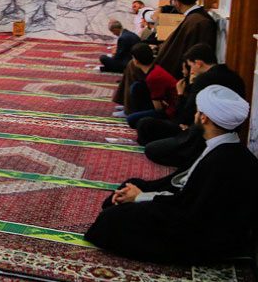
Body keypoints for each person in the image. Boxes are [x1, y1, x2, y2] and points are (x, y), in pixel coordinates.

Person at [85, 85, 258, 264]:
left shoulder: (222, 161)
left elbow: (188, 210)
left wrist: (140, 197)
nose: (195, 116)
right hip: (186, 207)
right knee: (130, 186)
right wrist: (139, 193)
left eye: (198, 112)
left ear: (204, 118)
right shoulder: (222, 146)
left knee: (111, 220)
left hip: (198, 235)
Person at [112, 0, 216, 113]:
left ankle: (131, 108)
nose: (171, 3)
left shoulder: (199, 21)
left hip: (175, 67)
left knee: (134, 65)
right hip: (172, 60)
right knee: (135, 62)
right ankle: (129, 104)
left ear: (177, 1)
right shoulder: (195, 18)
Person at [138, 44, 247, 167]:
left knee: (150, 142)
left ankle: (189, 161)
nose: (191, 71)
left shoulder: (203, 79)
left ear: (199, 63)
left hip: (200, 134)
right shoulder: (235, 78)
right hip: (227, 133)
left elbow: (183, 116)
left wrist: (181, 94)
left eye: (191, 66)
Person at [123, 43, 178, 127]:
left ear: (136, 61)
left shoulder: (153, 77)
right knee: (137, 86)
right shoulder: (155, 68)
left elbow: (158, 107)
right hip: (167, 102)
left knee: (131, 119)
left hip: (171, 110)